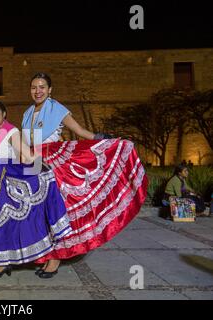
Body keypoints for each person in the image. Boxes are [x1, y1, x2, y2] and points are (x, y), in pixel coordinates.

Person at [22, 72, 148, 278]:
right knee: (37, 210)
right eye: (34, 87)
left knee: (55, 209)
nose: (38, 91)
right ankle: (44, 254)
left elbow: (80, 130)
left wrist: (104, 140)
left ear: (50, 90)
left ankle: (55, 258)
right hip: (32, 160)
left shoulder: (57, 108)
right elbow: (25, 143)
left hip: (51, 160)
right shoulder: (28, 112)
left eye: (42, 87)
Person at [0, 100, 72, 278]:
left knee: (13, 223)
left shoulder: (11, 131)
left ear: (4, 114)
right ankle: (1, 263)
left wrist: (42, 171)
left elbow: (27, 155)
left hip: (6, 181)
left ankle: (47, 257)